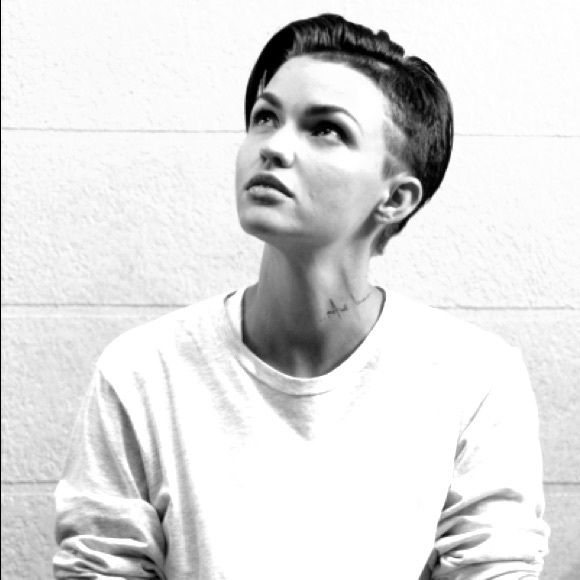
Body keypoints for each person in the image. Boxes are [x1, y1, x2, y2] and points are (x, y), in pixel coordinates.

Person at [53, 13, 549, 580]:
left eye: (325, 129)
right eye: (265, 118)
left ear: (395, 198)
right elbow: (98, 568)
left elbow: (493, 568)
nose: (273, 147)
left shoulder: (475, 378)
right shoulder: (141, 372)